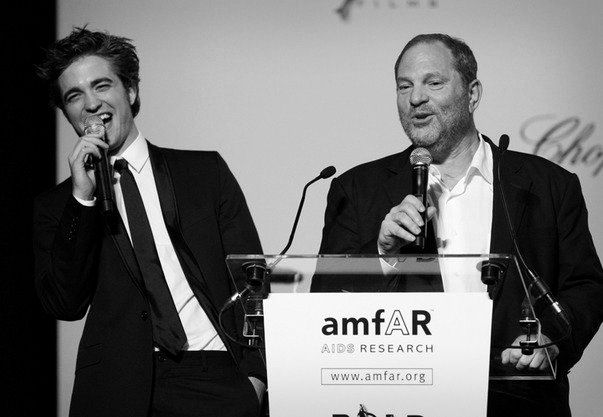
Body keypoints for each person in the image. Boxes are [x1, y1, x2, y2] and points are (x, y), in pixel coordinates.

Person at [317, 33, 603, 416]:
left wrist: (551, 339)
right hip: (404, 402)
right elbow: (325, 304)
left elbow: (585, 286)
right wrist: (382, 256)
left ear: (472, 94)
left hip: (520, 403)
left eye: (433, 82)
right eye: (404, 86)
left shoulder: (549, 185)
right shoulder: (357, 189)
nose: (415, 98)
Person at [34, 27, 265, 417]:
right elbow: (64, 303)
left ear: (130, 91)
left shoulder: (203, 172)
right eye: (74, 96)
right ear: (67, 112)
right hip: (116, 386)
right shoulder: (60, 205)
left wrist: (256, 379)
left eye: (101, 85)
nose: (91, 103)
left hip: (215, 374)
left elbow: (252, 278)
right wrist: (83, 200)